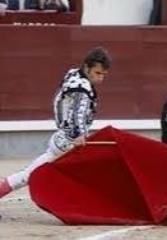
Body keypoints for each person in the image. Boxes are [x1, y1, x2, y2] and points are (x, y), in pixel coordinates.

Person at [0, 46, 112, 199]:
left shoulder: (73, 74)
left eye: (103, 75)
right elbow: (77, 111)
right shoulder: (82, 88)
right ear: (86, 67)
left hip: (63, 138)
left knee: (29, 174)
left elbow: (62, 102)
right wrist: (78, 134)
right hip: (70, 143)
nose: (100, 78)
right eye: (97, 73)